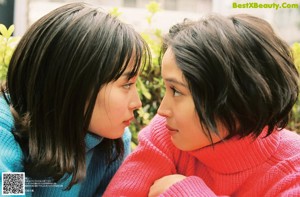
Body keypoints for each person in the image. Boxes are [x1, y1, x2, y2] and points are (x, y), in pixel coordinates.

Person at [103, 13, 300, 196]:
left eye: (177, 91)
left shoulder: (293, 171)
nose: (162, 111)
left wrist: (181, 190)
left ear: (236, 97)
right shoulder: (167, 135)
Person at [0, 2, 150, 196]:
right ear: (75, 83)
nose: (137, 103)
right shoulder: (7, 133)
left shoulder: (113, 143)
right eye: (127, 85)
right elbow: (10, 191)